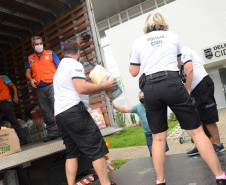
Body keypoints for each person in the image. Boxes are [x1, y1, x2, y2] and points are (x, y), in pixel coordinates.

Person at [129, 13, 226, 185]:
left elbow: (134, 72)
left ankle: (160, 181)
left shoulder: (138, 42)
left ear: (147, 25)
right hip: (171, 82)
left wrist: (136, 59)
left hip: (150, 87)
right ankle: (219, 175)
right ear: (163, 23)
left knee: (158, 138)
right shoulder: (173, 36)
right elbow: (176, 64)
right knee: (196, 132)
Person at [53, 40, 117, 185]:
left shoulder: (59, 69)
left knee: (71, 152)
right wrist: (104, 86)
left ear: (65, 52)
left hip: (61, 115)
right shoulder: (75, 65)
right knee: (96, 149)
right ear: (78, 52)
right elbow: (81, 88)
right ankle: (106, 183)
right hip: (75, 112)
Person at [181, 46, 225, 156]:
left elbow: (189, 69)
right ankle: (203, 145)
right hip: (192, 89)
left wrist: (186, 89)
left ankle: (218, 144)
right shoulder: (170, 59)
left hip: (201, 84)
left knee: (207, 117)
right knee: (196, 118)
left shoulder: (183, 51)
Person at [111, 91, 169, 157]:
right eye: (140, 97)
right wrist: (115, 107)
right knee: (153, 153)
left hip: (158, 133)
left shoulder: (153, 104)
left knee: (162, 152)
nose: (141, 98)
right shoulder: (137, 107)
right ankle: (156, 166)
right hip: (149, 134)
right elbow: (125, 109)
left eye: (143, 97)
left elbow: (165, 106)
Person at [25, 36, 60, 142]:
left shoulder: (50, 54)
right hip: (40, 88)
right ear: (32, 46)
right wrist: (31, 80)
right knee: (45, 111)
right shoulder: (30, 58)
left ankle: (65, 131)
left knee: (57, 107)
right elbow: (27, 73)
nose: (39, 45)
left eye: (41, 43)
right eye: (37, 44)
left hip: (52, 84)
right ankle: (53, 133)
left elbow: (60, 66)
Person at [0, 74, 27, 146]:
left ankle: (23, 139)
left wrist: (15, 96)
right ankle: (2, 144)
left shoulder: (3, 77)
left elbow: (13, 86)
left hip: (6, 102)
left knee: (13, 120)